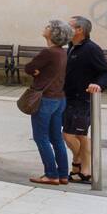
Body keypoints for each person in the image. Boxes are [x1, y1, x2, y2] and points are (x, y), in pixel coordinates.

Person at [63, 14, 107, 183]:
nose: (66, 28)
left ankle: (78, 163)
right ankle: (85, 171)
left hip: (83, 99)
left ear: (80, 30)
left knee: (70, 135)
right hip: (68, 98)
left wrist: (99, 85)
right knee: (81, 136)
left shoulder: (91, 49)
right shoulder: (71, 46)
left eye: (70, 26)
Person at [23, 19, 71, 185]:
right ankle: (63, 174)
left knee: (41, 137)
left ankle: (51, 174)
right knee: (56, 137)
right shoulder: (63, 52)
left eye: (49, 26)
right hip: (59, 99)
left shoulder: (49, 52)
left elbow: (29, 68)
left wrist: (37, 72)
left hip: (45, 99)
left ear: (53, 33)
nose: (45, 27)